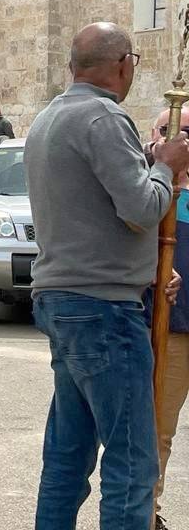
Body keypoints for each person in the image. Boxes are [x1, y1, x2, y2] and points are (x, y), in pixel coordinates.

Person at [24, 22, 189, 529]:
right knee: (133, 463)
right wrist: (166, 167)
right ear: (125, 64)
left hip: (65, 299)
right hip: (103, 309)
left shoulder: (50, 116)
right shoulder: (103, 116)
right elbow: (141, 207)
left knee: (68, 457)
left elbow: (96, 204)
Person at [144, 106, 189, 530]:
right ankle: (147, 513)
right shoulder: (147, 186)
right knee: (159, 427)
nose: (182, 139)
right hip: (173, 328)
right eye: (173, 130)